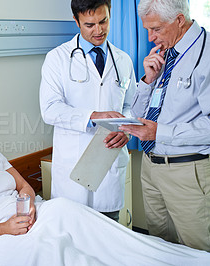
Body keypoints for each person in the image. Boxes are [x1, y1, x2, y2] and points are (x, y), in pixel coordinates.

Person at [0, 99, 210, 265]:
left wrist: (28, 207)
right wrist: (5, 228)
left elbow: (24, 186)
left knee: (86, 223)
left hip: (32, 213)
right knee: (55, 250)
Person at [119, 0, 210, 253]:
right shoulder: (165, 54)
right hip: (152, 169)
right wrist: (148, 81)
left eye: (157, 29)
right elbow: (139, 115)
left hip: (189, 171)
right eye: (147, 30)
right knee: (161, 249)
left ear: (180, 20)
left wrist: (160, 132)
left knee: (198, 251)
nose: (151, 38)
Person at [39, 0, 137, 221]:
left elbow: (130, 105)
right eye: (89, 25)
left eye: (103, 21)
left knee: (109, 235)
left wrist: (127, 130)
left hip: (108, 162)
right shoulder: (57, 59)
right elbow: (50, 109)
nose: (99, 30)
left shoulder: (122, 60)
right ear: (76, 21)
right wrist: (93, 116)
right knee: (74, 238)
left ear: (110, 14)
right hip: (74, 165)